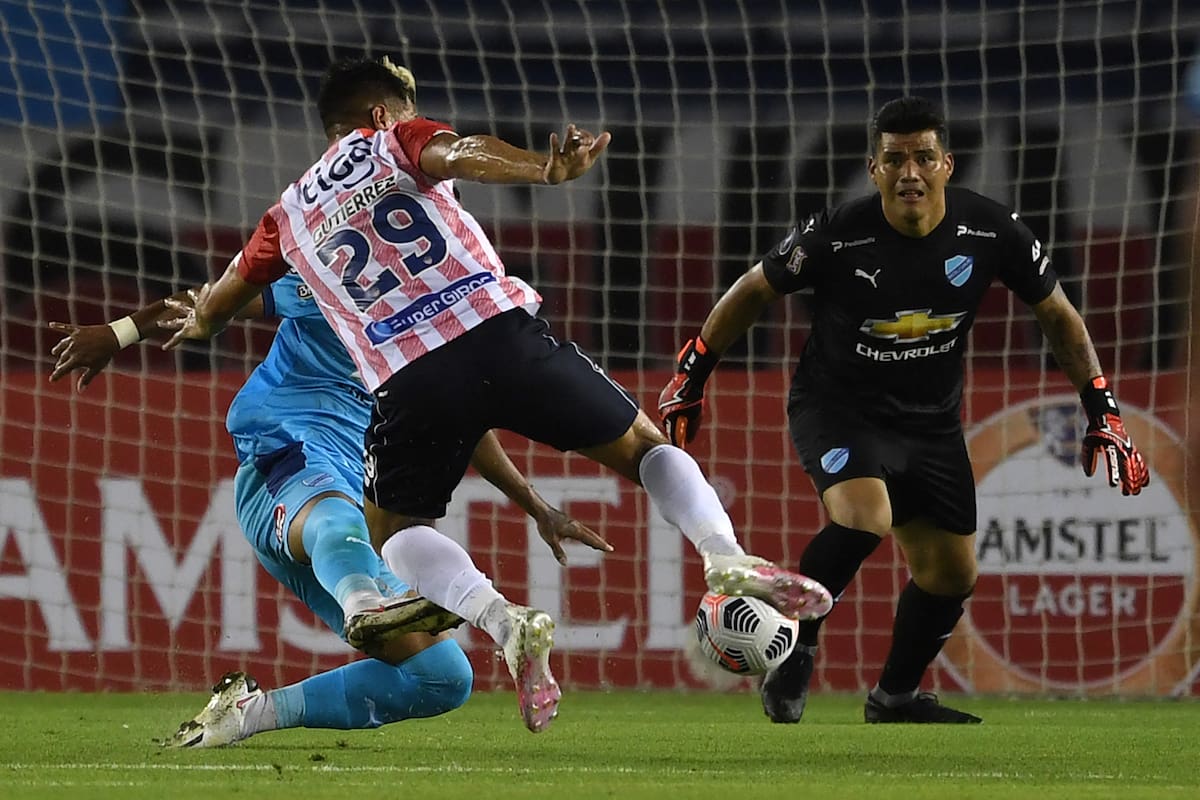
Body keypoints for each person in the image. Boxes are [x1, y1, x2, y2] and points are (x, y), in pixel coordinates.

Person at [160, 52, 833, 715]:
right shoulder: (393, 140)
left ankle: (502, 620)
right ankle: (725, 556)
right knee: (645, 447)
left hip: (410, 375)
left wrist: (195, 324)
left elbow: (217, 306)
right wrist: (543, 169)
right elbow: (461, 152)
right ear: (377, 113)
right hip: (499, 332)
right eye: (408, 110)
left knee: (395, 534)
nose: (414, 119)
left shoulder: (284, 217)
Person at [659, 96, 1150, 725]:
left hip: (930, 420)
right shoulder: (835, 233)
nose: (910, 172)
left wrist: (1102, 409)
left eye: (923, 157)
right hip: (838, 408)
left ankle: (893, 697)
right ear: (873, 168)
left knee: (951, 573)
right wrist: (693, 370)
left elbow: (1058, 315)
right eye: (895, 159)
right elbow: (754, 288)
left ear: (947, 163)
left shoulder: (993, 230)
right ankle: (795, 647)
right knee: (866, 517)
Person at [49, 268, 609, 743]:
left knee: (443, 678)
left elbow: (469, 427)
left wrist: (537, 505)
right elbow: (211, 300)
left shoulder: (437, 320)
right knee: (341, 514)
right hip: (284, 455)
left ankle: (246, 715)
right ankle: (366, 600)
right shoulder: (337, 278)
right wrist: (118, 334)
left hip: (346, 503)